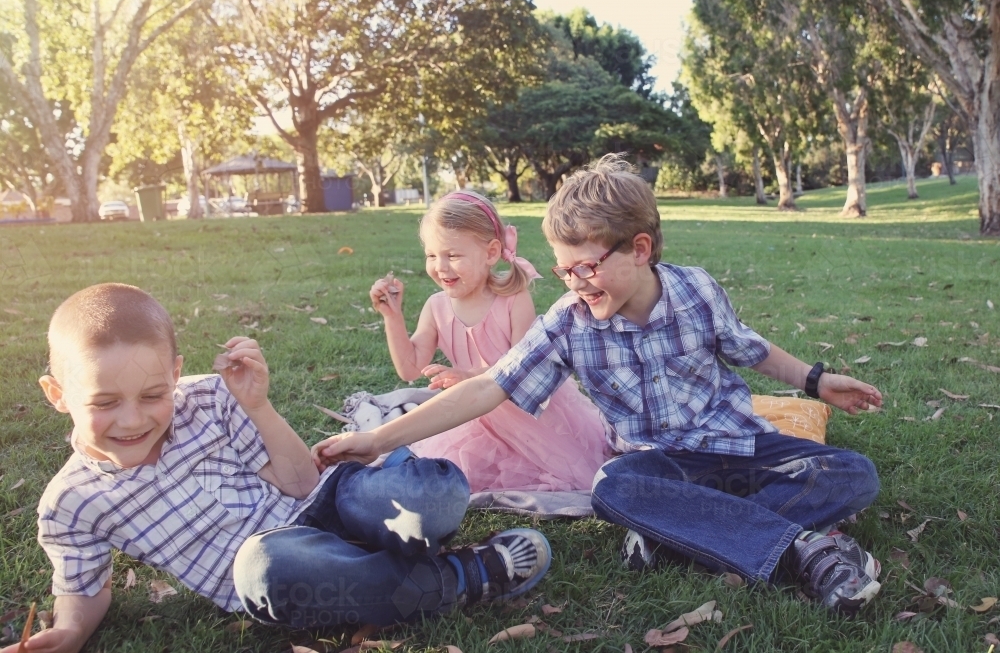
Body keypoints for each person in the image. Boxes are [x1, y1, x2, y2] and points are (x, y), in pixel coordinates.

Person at [314, 156, 885, 617]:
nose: (576, 283)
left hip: (737, 444)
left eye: (586, 267)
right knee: (613, 488)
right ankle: (805, 549)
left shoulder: (696, 291)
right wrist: (377, 440)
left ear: (639, 249)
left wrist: (817, 379)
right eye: (564, 271)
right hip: (659, 463)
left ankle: (678, 532)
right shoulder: (570, 320)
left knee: (852, 473)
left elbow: (748, 347)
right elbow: (489, 387)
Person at [7, 283, 550, 653]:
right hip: (283, 572)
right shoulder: (70, 502)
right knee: (265, 564)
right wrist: (71, 632)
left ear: (176, 372)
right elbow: (82, 586)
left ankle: (392, 547)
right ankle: (456, 577)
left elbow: (301, 485)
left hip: (323, 511)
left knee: (432, 492)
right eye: (104, 403)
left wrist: (258, 406)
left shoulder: (210, 398)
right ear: (58, 394)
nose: (132, 419)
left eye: (154, 394)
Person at [368, 190, 609, 492]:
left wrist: (470, 376)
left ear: (491, 253)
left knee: (566, 472)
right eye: (432, 255)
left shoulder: (512, 300)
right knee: (445, 471)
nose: (440, 267)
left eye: (453, 255)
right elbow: (409, 368)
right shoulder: (436, 306)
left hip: (526, 413)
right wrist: (393, 318)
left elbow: (526, 369)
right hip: (470, 413)